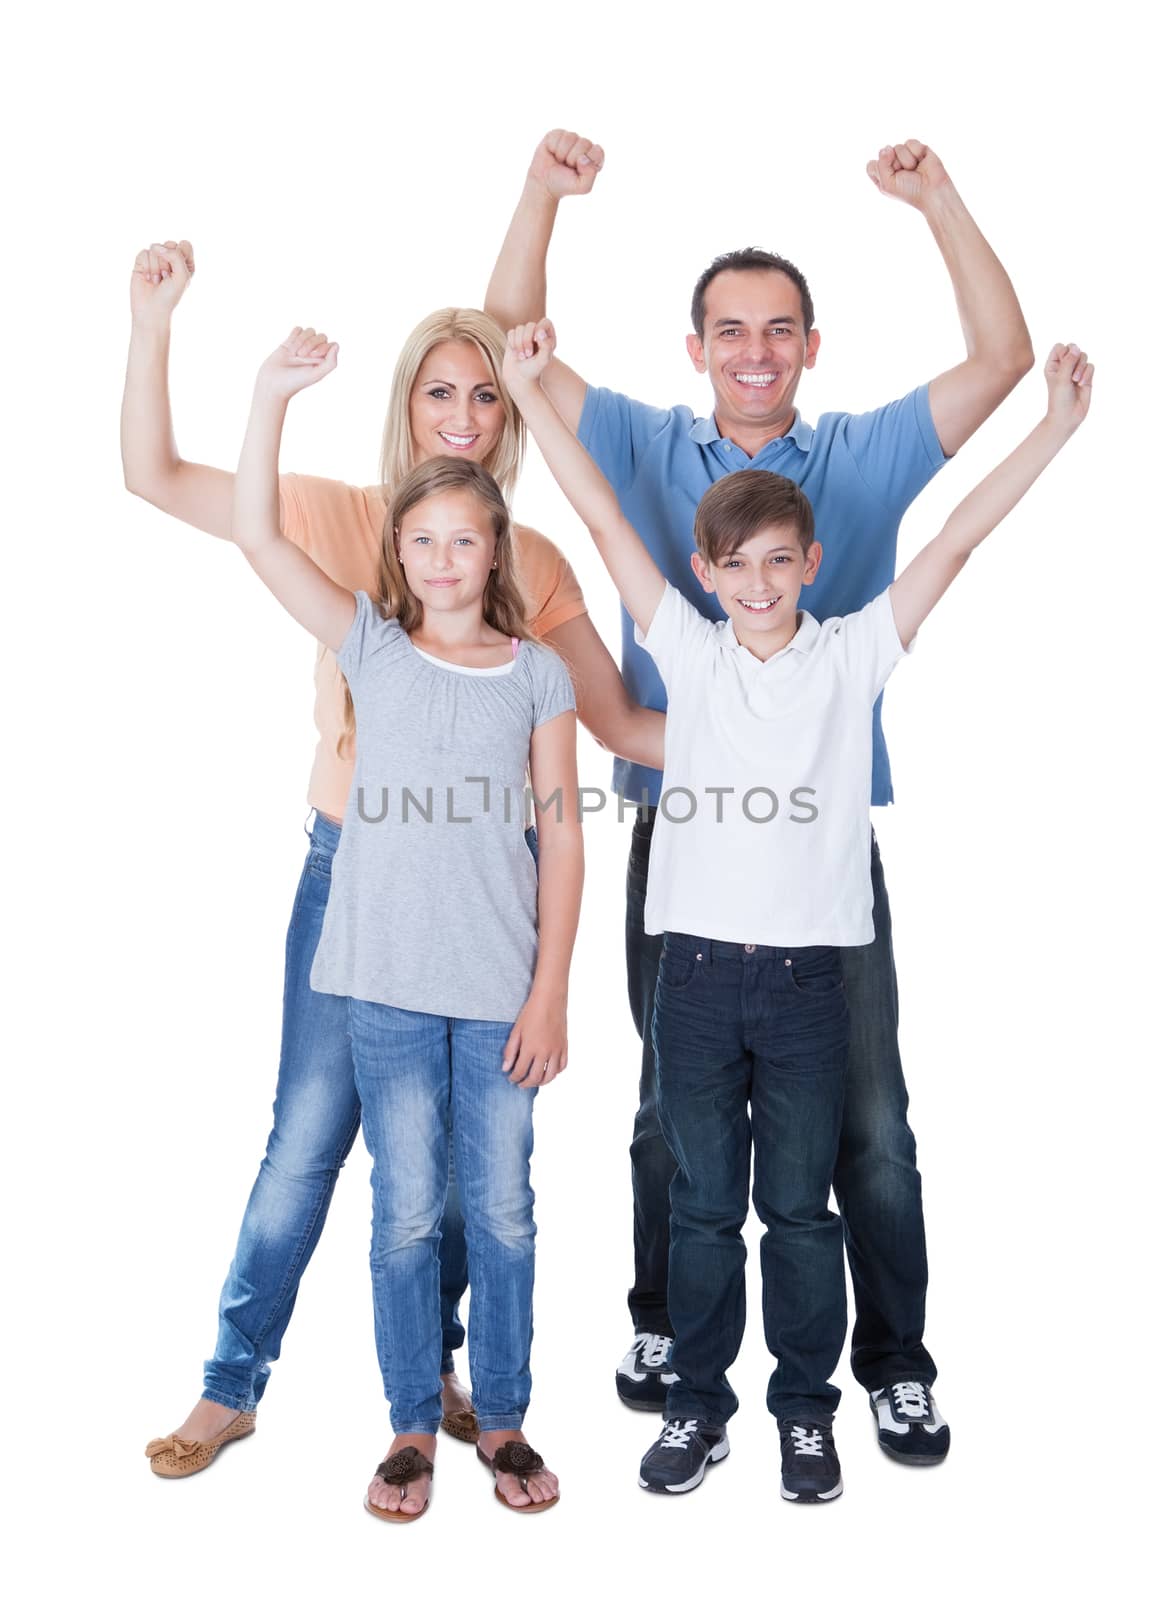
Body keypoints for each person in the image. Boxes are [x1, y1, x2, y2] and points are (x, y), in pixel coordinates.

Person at [487, 134, 1035, 1459]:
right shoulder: (631, 437)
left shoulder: (863, 454)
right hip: (679, 837)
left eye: (778, 331)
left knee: (868, 1116)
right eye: (730, 330)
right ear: (696, 348)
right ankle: (676, 1329)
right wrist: (542, 196)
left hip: (822, 857)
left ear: (810, 345)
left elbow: (1003, 362)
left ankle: (889, 1364)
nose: (754, 351)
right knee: (670, 1111)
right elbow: (512, 348)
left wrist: (937, 199)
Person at [123, 221, 658, 1480]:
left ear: (508, 419)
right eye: (439, 390)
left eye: (486, 392)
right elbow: (158, 478)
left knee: (471, 1176)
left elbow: (617, 729)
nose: (464, 413)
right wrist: (156, 327)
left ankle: (444, 1377)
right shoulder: (343, 519)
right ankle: (229, 1383)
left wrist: (774, 719)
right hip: (350, 879)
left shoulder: (529, 563)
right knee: (310, 1136)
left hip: (485, 901)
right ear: (405, 406)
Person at [236, 324, 580, 1518]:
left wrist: (550, 992)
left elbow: (564, 834)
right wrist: (273, 394)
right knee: (403, 1211)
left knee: (500, 1210)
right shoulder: (369, 647)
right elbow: (253, 533)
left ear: (498, 553)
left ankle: (510, 1418)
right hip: (380, 984)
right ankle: (408, 1427)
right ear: (398, 551)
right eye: (421, 538)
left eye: (466, 538)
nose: (443, 556)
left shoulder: (538, 673)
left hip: (497, 990)